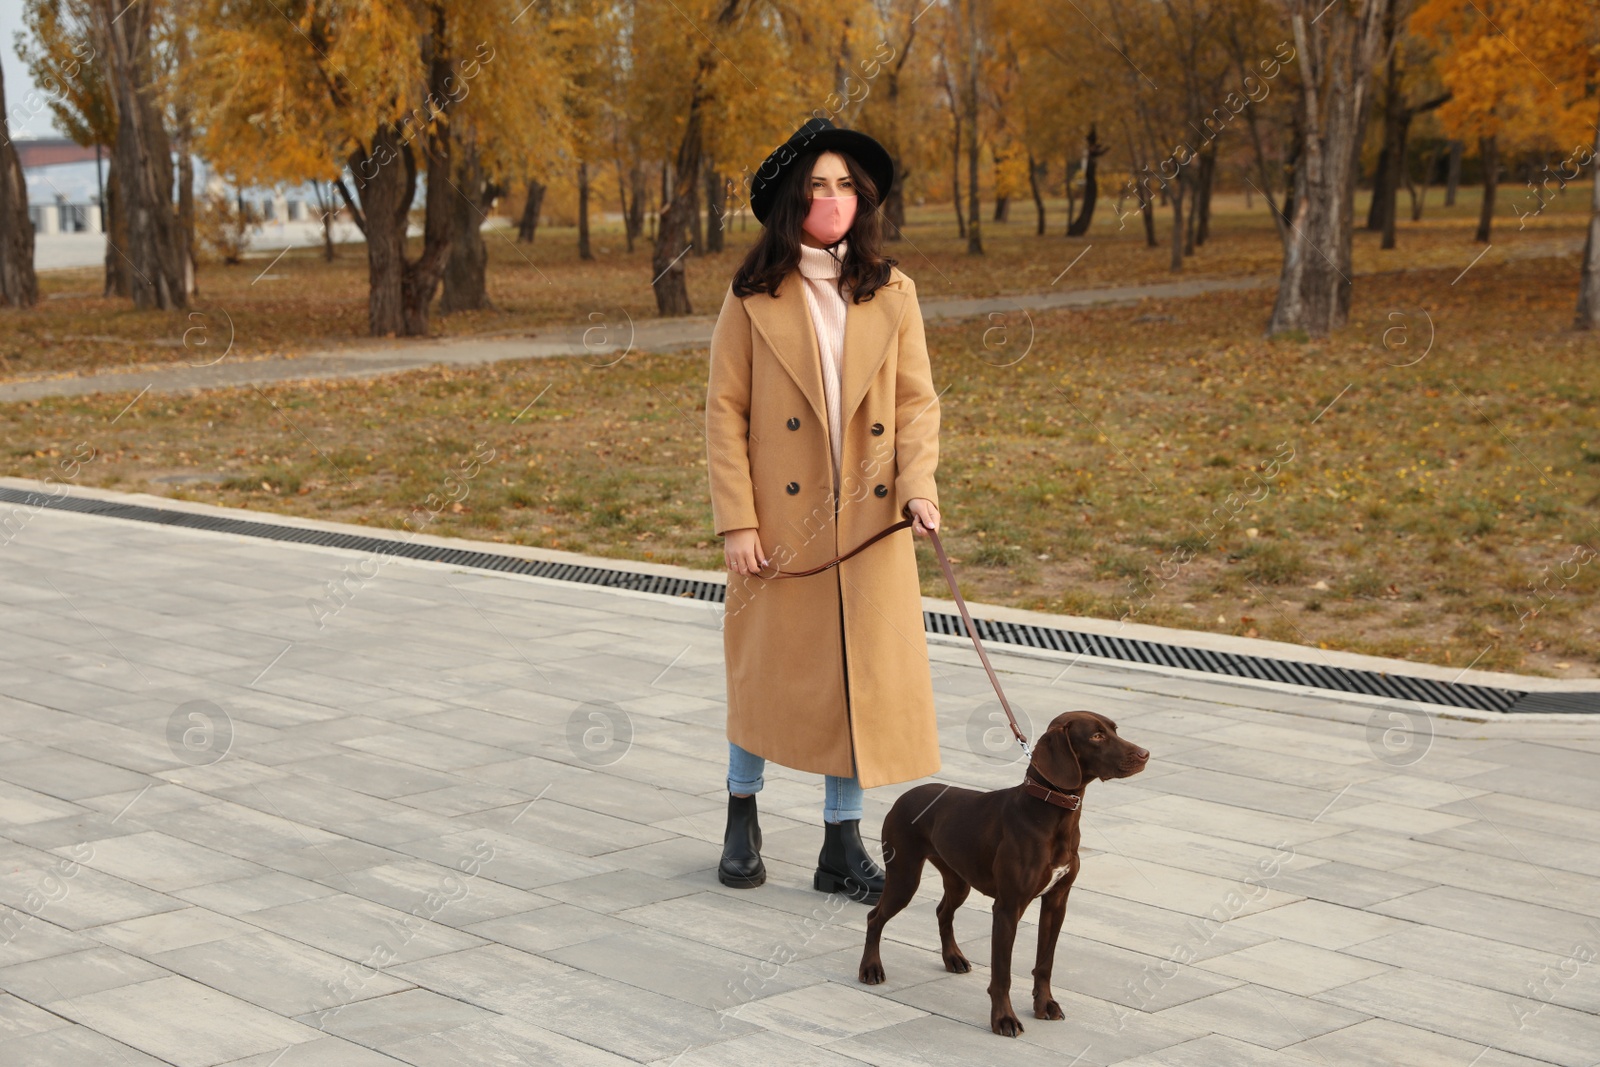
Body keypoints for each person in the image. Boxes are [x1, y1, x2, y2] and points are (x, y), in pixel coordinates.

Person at [704, 117, 943, 904]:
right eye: (817, 186)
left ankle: (842, 844)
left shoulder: (894, 290)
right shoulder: (751, 297)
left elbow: (915, 404)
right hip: (780, 526)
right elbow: (724, 412)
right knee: (762, 671)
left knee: (856, 680)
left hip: (869, 525)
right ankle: (743, 815)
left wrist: (919, 487)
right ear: (790, 203)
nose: (833, 199)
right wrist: (738, 520)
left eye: (845, 185)